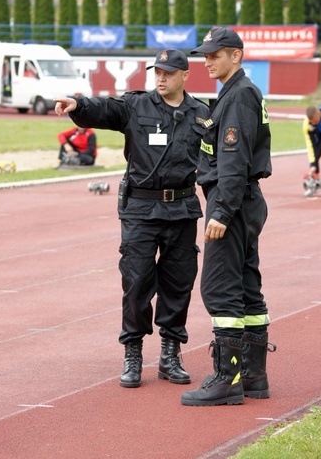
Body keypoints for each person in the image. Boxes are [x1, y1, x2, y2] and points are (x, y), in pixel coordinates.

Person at [54, 49, 208, 388]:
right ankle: (133, 353)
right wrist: (78, 105)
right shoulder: (136, 105)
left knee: (178, 283)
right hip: (140, 209)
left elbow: (213, 165)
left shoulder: (202, 114)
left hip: (182, 209)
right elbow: (105, 109)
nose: (162, 77)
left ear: (185, 75)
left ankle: (170, 354)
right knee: (136, 282)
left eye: (169, 72)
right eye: (158, 72)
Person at [180, 26, 276, 407]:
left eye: (214, 54)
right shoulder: (238, 92)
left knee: (219, 289)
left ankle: (227, 378)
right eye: (204, 55)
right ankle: (253, 375)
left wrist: (220, 211)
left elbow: (234, 161)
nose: (207, 61)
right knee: (246, 286)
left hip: (232, 199)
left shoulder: (238, 95)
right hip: (245, 200)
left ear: (235, 55)